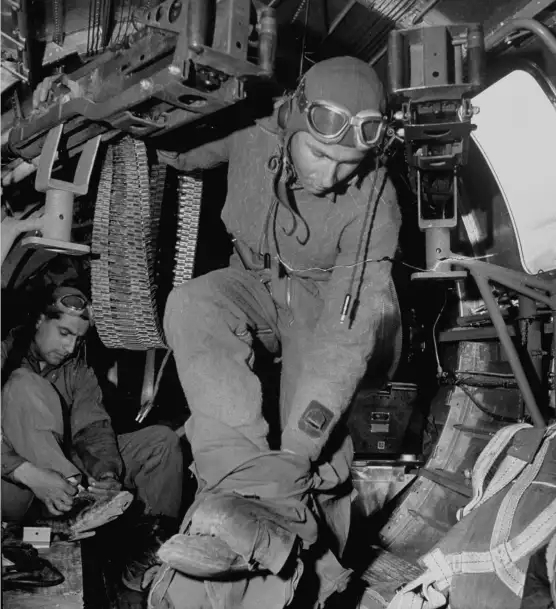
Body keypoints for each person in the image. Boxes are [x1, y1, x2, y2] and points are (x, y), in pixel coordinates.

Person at [149, 56, 402, 609]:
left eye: (347, 163)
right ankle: (238, 495)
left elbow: (347, 331)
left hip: (325, 313)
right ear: (291, 119)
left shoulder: (376, 202)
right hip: (257, 284)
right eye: (318, 153)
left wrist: (298, 448)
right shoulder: (255, 126)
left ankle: (306, 581)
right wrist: (161, 117)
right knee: (194, 303)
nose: (329, 176)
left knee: (317, 451)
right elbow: (182, 150)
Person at [0, 275, 184, 591]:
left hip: (63, 475)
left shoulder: (78, 372)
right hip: (14, 483)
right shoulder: (5, 357)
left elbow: (92, 429)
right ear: (41, 320)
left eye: (79, 339)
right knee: (24, 384)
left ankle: (149, 553)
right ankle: (70, 503)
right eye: (64, 333)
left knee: (161, 443)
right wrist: (30, 473)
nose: (70, 347)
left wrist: (108, 475)